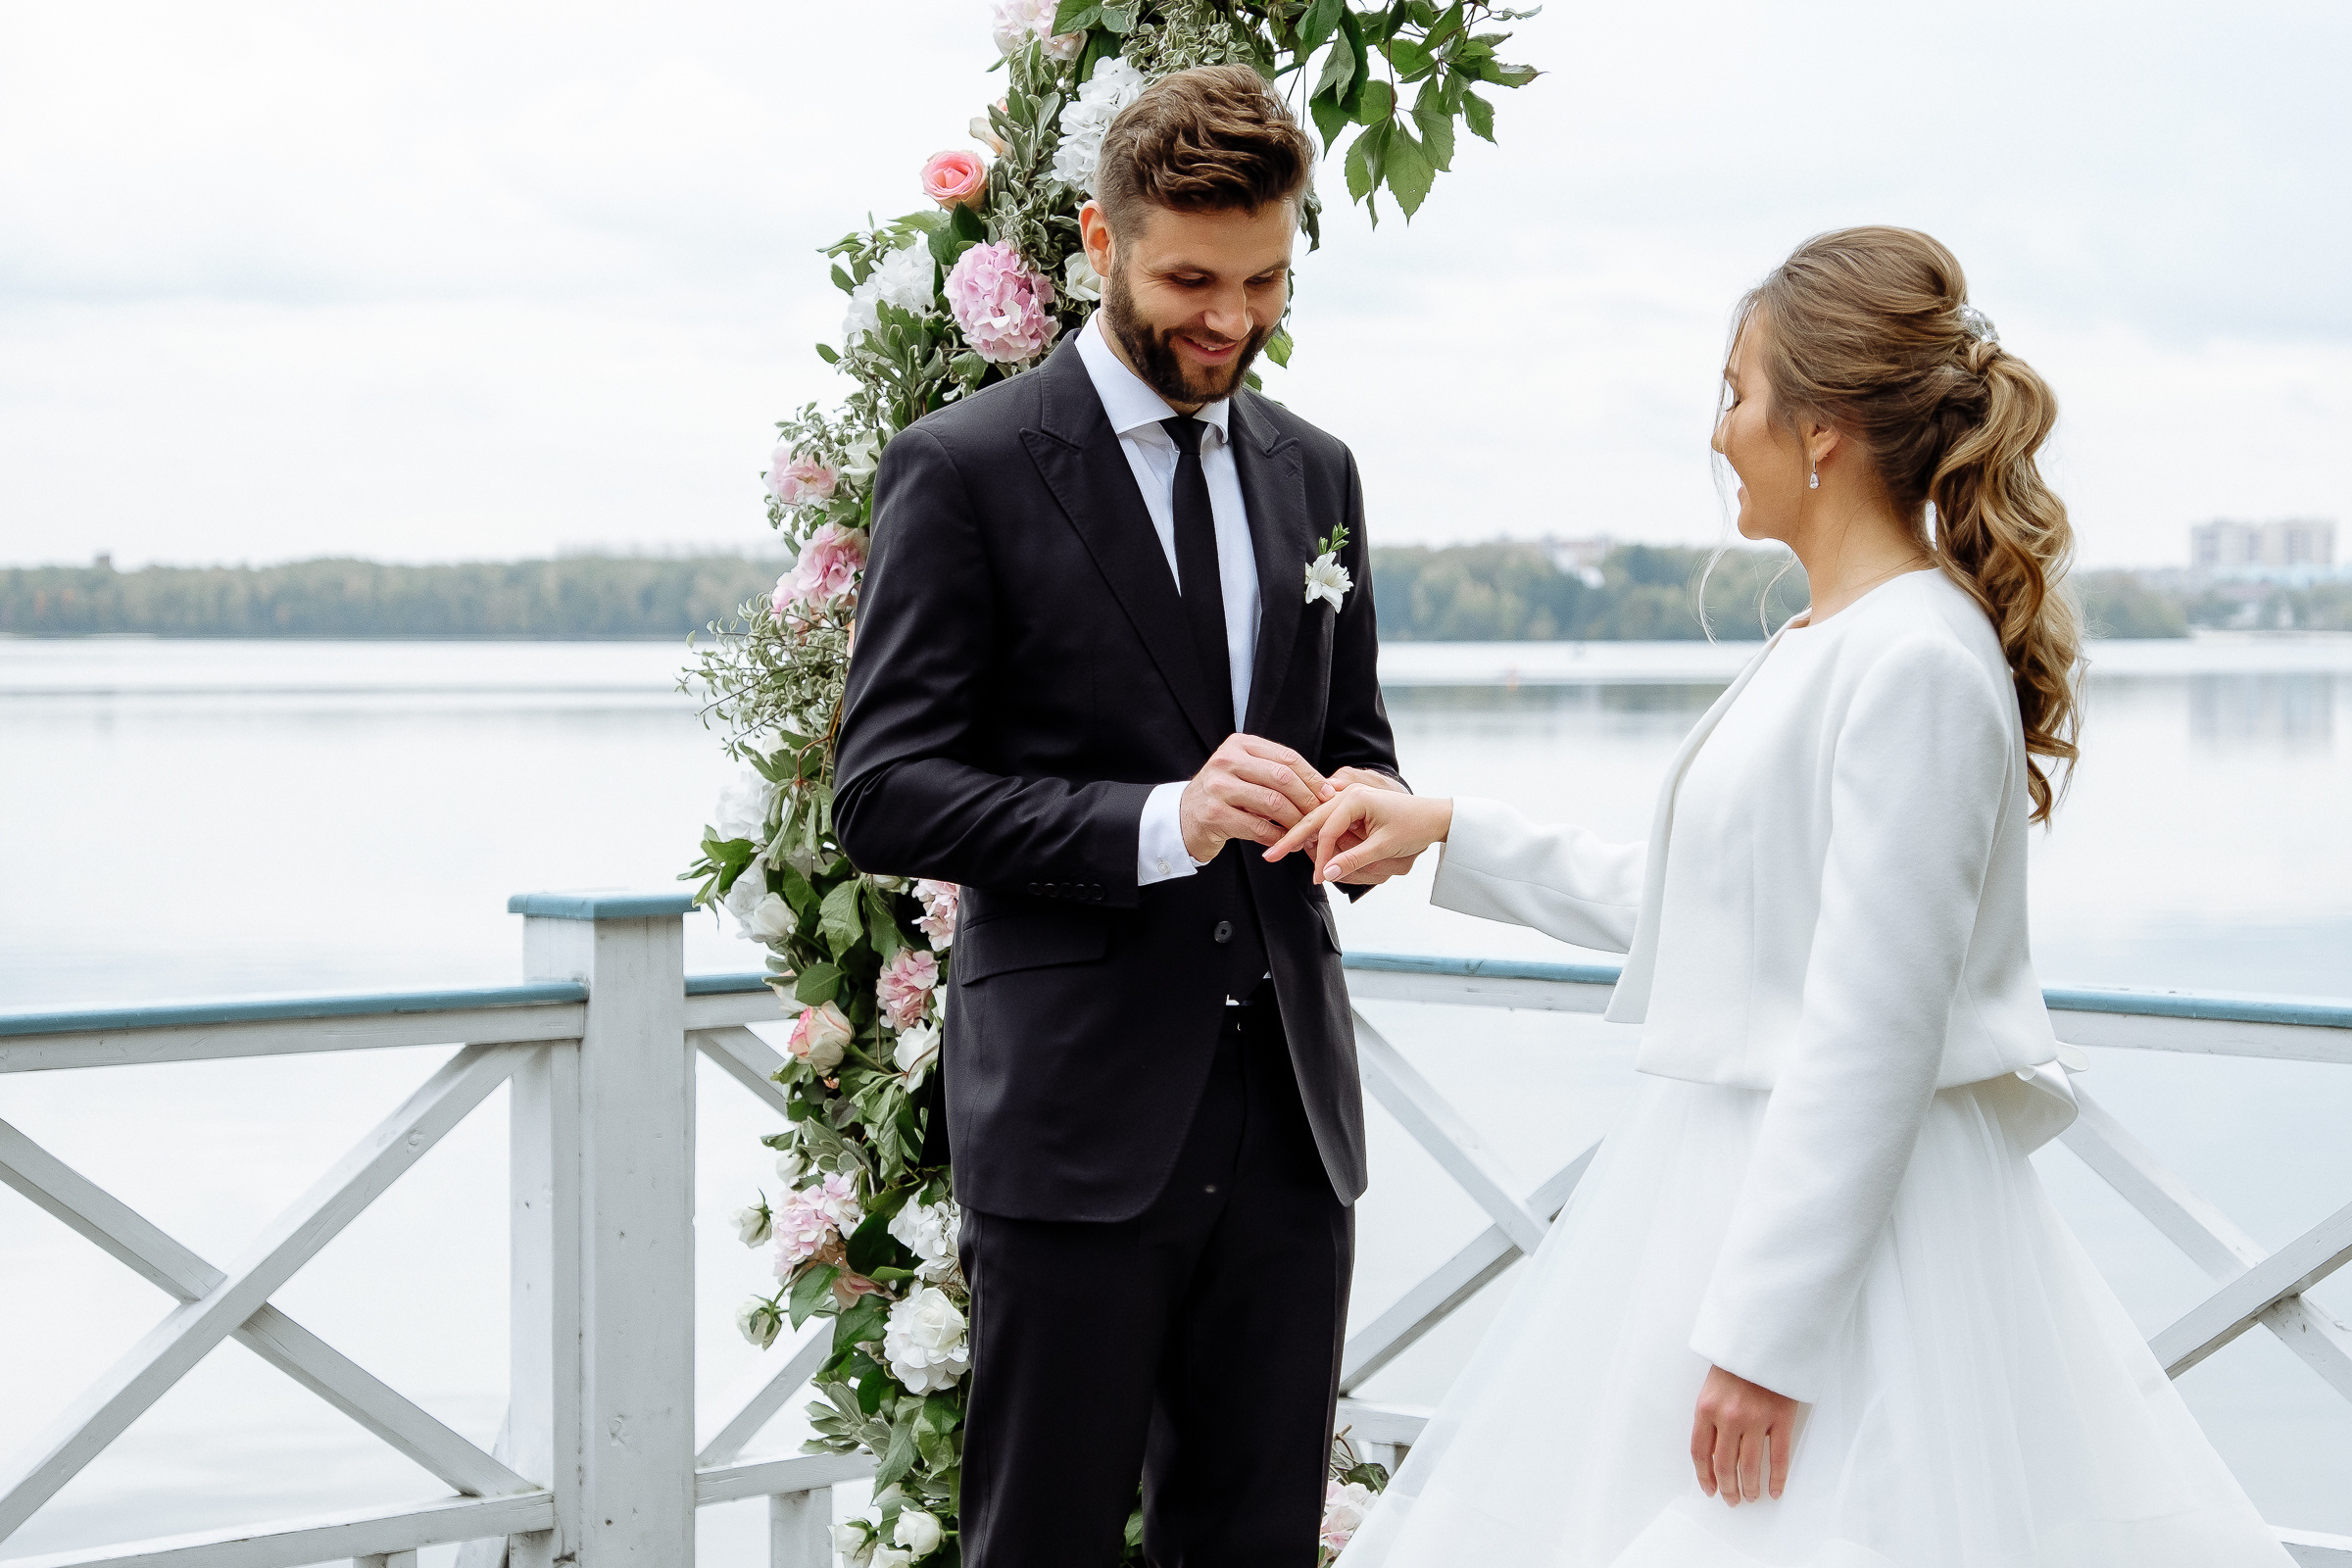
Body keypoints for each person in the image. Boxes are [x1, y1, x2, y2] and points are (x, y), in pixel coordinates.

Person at [1269, 227, 2294, 1566]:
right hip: (1720, 1201)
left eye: (1736, 394)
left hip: (1851, 1262)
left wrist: (1766, 1340)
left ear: (1820, 429)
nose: (1718, 432)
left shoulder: (1915, 659)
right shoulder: (1832, 640)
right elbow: (1723, 907)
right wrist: (1448, 831)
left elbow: (1876, 1026)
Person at [832, 64, 1418, 1568]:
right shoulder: (963, 471)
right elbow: (886, 789)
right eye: (1191, 281)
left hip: (1290, 1124)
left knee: (1255, 1544)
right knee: (1042, 1543)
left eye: (1266, 280)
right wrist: (1160, 820)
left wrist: (1370, 811)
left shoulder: (1319, 472)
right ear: (1099, 240)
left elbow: (1353, 742)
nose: (1232, 319)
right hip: (1077, 1120)